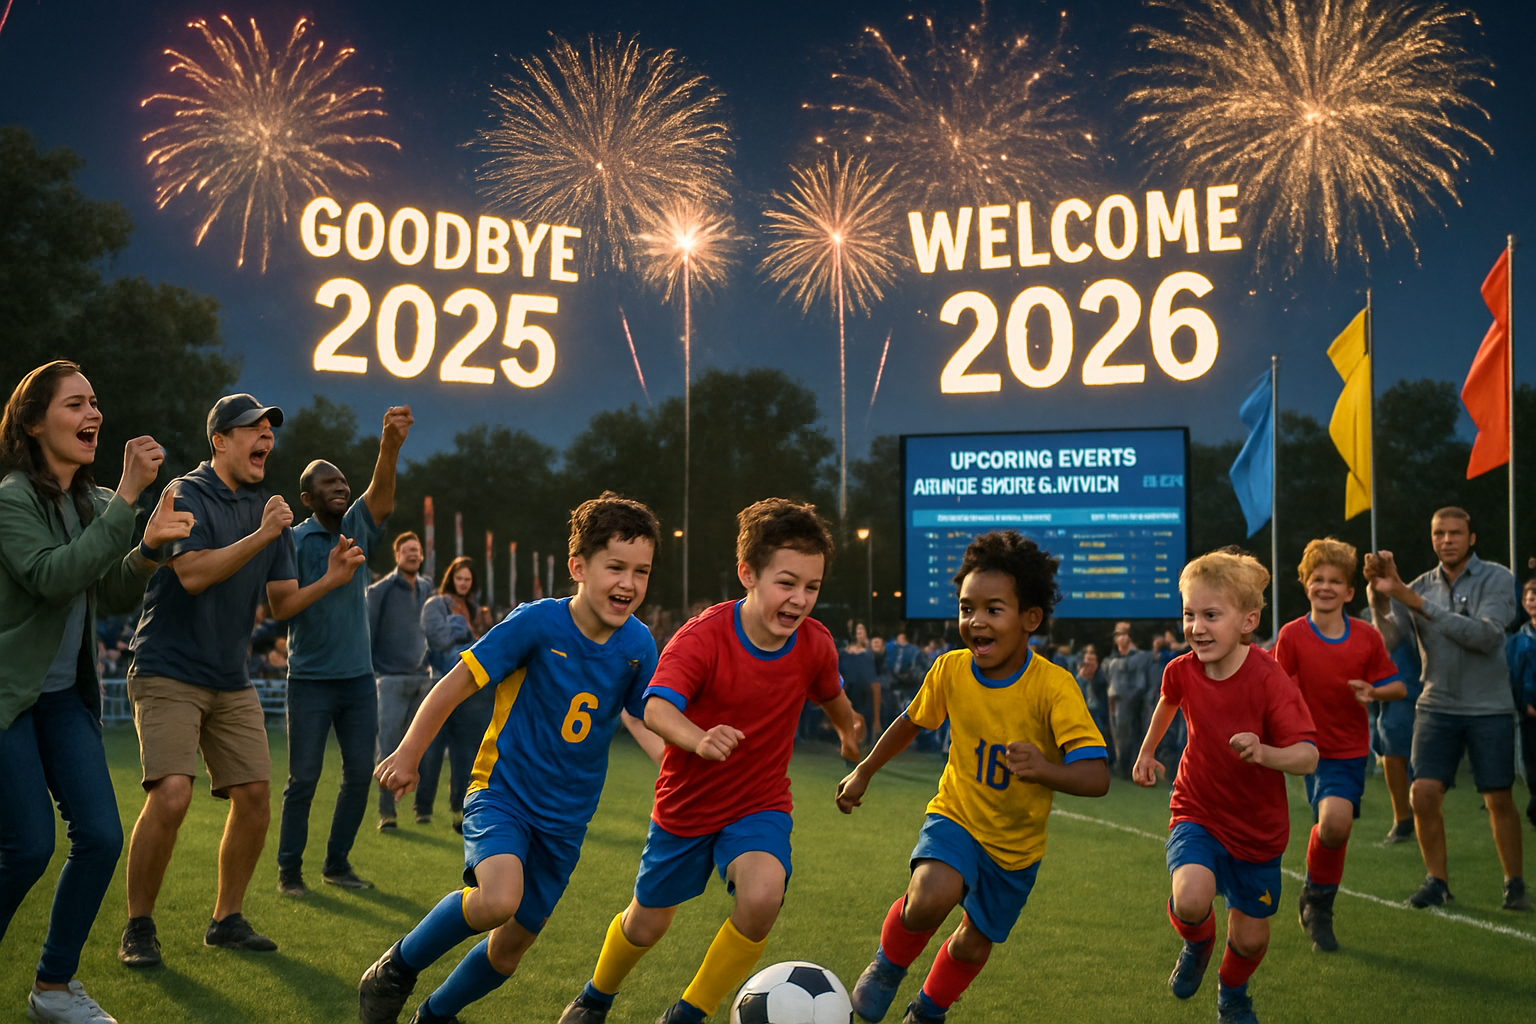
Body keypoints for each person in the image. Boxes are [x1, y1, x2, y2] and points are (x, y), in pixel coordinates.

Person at [357, 493, 664, 1024]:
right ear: (578, 567)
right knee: (498, 898)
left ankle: (436, 1014)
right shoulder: (537, 624)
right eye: (615, 567)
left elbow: (642, 717)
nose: (628, 584)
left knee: (509, 949)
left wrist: (681, 765)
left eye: (641, 571)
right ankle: (394, 970)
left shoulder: (639, 644)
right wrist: (407, 753)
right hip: (503, 793)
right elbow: (454, 684)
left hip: (567, 820)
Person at [557, 498, 864, 1024]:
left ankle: (689, 1013)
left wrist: (847, 733)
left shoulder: (814, 644)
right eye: (786, 583)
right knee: (646, 925)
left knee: (764, 896)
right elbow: (654, 707)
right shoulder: (702, 638)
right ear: (748, 574)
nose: (799, 600)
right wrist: (698, 740)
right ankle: (595, 997)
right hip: (687, 806)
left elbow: (831, 693)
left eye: (811, 588)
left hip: (758, 803)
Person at [837, 531, 1109, 1024]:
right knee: (930, 895)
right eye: (967, 608)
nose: (976, 621)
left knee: (973, 943)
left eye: (993, 609)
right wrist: (865, 770)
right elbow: (910, 722)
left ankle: (928, 1010)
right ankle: (887, 966)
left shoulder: (1054, 687)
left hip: (1016, 849)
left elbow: (1096, 776)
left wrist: (1045, 769)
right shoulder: (950, 670)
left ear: (1031, 619)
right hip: (957, 815)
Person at [0, 362, 192, 1024]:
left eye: (96, 402)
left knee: (103, 837)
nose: (95, 413)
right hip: (9, 699)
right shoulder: (11, 499)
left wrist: (147, 551)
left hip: (62, 700)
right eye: (76, 403)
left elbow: (103, 589)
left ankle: (53, 989)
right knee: (26, 846)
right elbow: (51, 576)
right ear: (33, 422)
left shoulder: (90, 502)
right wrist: (129, 499)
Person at [119, 394, 316, 966]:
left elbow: (281, 605)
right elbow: (194, 573)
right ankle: (139, 926)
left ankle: (226, 919)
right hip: (168, 667)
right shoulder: (185, 492)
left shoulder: (269, 508)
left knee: (255, 797)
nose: (266, 440)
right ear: (220, 441)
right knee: (173, 792)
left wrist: (330, 579)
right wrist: (262, 533)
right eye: (253, 430)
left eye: (269, 432)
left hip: (231, 676)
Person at [1133, 550, 1317, 1024]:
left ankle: (1232, 992)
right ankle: (1197, 942)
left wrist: (1264, 752)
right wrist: (1148, 750)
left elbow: (1307, 755)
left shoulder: (1268, 678)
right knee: (1191, 898)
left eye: (1211, 615)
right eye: (1189, 614)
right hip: (1197, 809)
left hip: (1258, 829)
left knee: (1252, 937)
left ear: (1247, 620)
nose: (1196, 627)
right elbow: (1169, 702)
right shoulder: (1182, 669)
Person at [275, 405, 413, 897]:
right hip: (310, 680)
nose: (341, 487)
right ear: (308, 497)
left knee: (359, 775)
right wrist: (331, 578)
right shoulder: (291, 541)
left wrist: (389, 445)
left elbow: (380, 495)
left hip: (357, 680)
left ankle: (337, 864)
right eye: (328, 483)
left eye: (343, 482)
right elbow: (281, 608)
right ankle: (290, 872)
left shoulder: (356, 527)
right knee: (304, 780)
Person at [1365, 507, 1529, 911]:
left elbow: (1487, 637)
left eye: (1456, 533)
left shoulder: (1499, 578)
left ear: (1472, 538)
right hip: (1436, 705)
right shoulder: (1421, 585)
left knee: (1498, 798)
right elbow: (1391, 639)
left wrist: (1415, 601)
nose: (1447, 540)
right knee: (1422, 793)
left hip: (1488, 706)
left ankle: (1515, 884)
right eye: (1439, 533)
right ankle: (1436, 881)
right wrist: (1378, 596)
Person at [1272, 538, 1405, 951]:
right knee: (1328, 826)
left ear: (1349, 591)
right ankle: (1318, 892)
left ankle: (1317, 903)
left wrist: (1373, 692)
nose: (1325, 587)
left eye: (1335, 581)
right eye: (1317, 579)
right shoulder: (1292, 635)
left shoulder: (1366, 638)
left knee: (1334, 824)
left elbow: (1398, 686)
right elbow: (1272, 687)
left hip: (1347, 752)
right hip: (1307, 751)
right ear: (1305, 584)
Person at [417, 556, 496, 833]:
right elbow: (439, 640)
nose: (463, 584)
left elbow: (489, 644)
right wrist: (465, 635)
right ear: (451, 577)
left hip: (473, 689)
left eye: (468, 580)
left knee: (467, 752)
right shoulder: (436, 604)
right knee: (431, 750)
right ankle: (423, 809)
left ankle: (459, 812)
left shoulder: (476, 608)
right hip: (440, 681)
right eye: (459, 578)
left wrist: (478, 629)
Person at [369, 532, 435, 831]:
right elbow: (367, 634)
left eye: (417, 550)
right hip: (390, 680)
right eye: (407, 550)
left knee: (423, 746)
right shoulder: (379, 590)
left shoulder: (428, 588)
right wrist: (373, 675)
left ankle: (422, 810)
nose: (413, 554)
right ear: (397, 555)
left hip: (424, 678)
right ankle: (387, 814)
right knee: (388, 746)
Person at [1367, 601, 1424, 845]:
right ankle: (1403, 818)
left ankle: (1406, 819)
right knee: (1392, 755)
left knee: (1404, 758)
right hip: (1392, 694)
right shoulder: (1388, 616)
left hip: (1411, 691)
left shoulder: (1409, 612)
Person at [1104, 623, 1159, 780]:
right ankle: (1121, 767)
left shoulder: (1140, 657)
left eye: (1123, 634)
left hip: (1131, 702)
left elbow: (1141, 683)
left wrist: (1130, 700)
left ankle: (1131, 769)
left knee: (1131, 736)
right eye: (1117, 635)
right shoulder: (1111, 660)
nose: (1120, 638)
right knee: (1116, 736)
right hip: (1114, 701)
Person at [1508, 579, 1536, 831]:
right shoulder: (1517, 641)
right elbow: (1511, 677)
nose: (1533, 602)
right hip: (1529, 714)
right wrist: (1522, 705)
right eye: (1529, 597)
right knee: (1532, 764)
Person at [1076, 644, 1115, 768]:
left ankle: (1102, 761)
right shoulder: (1078, 676)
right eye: (1087, 661)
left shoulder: (1101, 677)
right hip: (1082, 710)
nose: (1089, 664)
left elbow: (1102, 697)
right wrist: (1082, 677)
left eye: (1092, 661)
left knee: (1099, 732)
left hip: (1097, 710)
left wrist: (1092, 678)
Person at [841, 624, 879, 749]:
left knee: (865, 716)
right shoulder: (845, 654)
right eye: (857, 632)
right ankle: (851, 742)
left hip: (865, 689)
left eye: (861, 631)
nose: (859, 634)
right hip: (851, 689)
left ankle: (865, 742)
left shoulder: (869, 655)